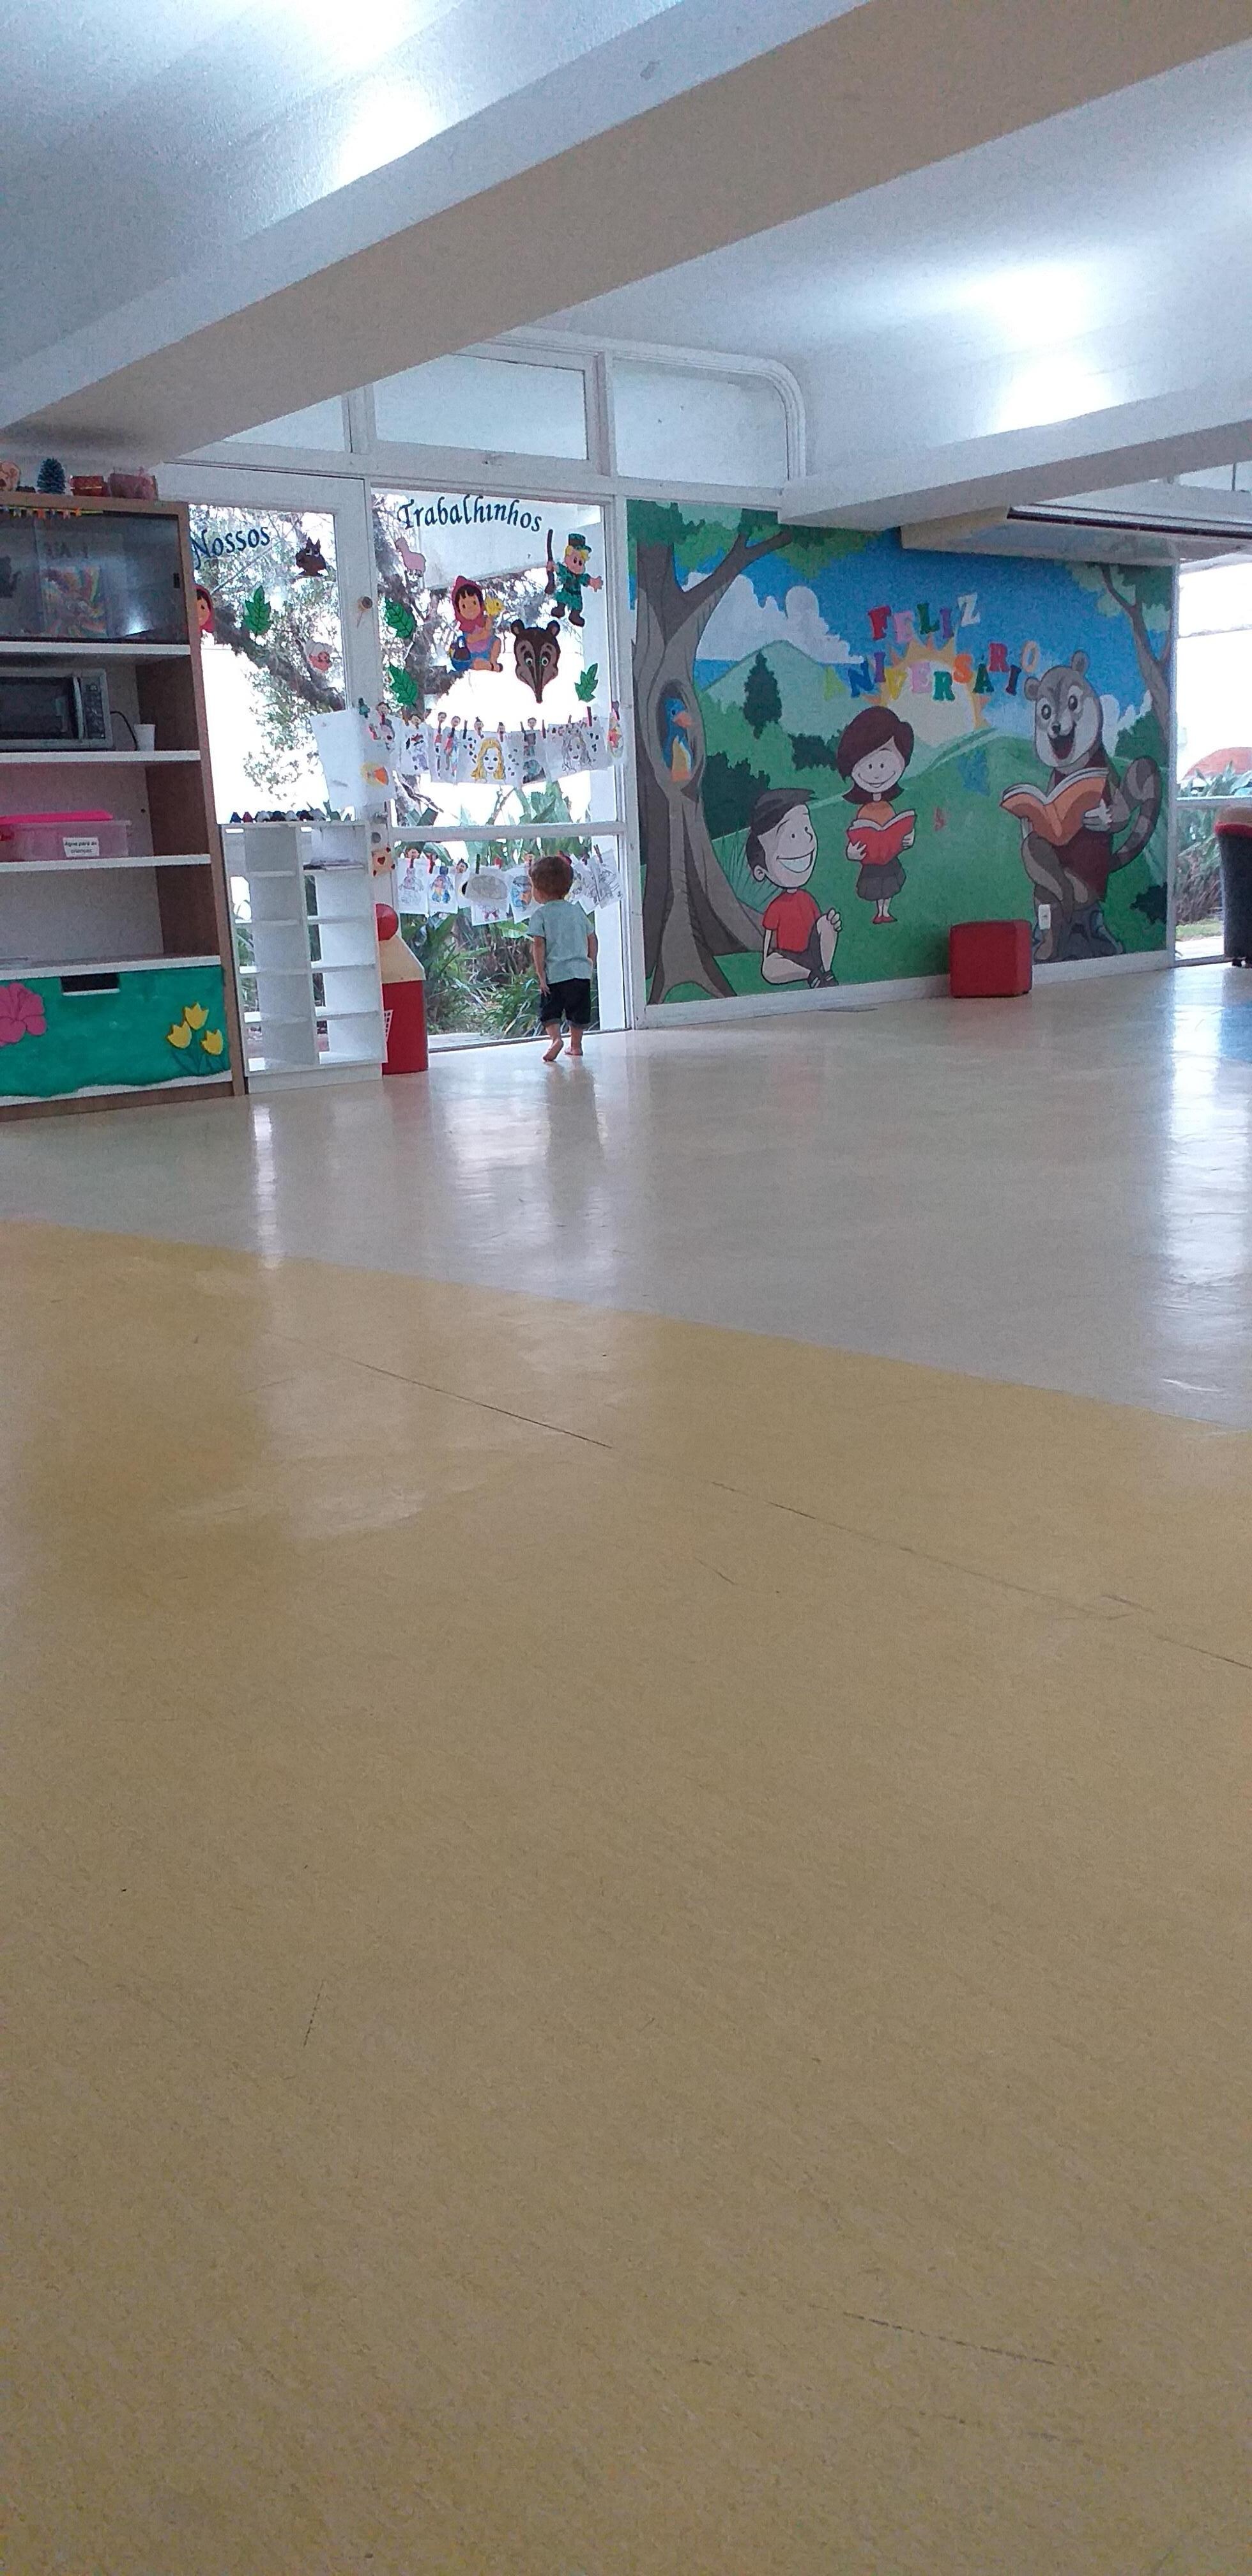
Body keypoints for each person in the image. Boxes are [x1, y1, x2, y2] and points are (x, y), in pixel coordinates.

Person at [746, 786, 840, 986]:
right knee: (769, 968)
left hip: (812, 951)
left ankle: (826, 972)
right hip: (790, 958)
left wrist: (830, 925)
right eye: (792, 837)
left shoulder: (807, 899)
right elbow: (769, 936)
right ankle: (811, 975)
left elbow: (818, 925)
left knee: (827, 923)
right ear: (760, 871)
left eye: (806, 829)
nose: (806, 839)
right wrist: (767, 958)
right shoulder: (776, 907)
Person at [836, 705, 916, 924]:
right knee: (876, 886)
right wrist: (852, 853)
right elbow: (856, 834)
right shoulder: (864, 811)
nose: (878, 772)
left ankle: (884, 911)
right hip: (871, 862)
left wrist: (907, 840)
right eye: (869, 766)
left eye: (883, 763)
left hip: (890, 859)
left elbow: (897, 831)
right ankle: (879, 911)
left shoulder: (888, 807)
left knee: (889, 886)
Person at [529, 852, 597, 1061]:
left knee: (550, 1011)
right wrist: (590, 962)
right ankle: (576, 1046)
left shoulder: (540, 915)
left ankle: (556, 1039)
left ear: (538, 891)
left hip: (556, 975)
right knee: (578, 1012)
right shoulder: (577, 911)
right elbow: (592, 938)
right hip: (580, 974)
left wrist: (541, 975)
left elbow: (538, 946)